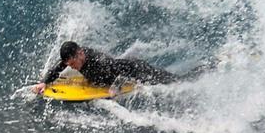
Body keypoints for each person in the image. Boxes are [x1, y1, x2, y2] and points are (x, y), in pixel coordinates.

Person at [32, 41, 176, 94]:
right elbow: (56, 69)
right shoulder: (72, 57)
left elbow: (121, 75)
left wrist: (115, 88)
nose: (72, 68)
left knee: (173, 82)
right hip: (129, 68)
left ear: (80, 54)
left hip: (138, 70)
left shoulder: (99, 62)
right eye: (69, 65)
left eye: (73, 64)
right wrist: (44, 82)